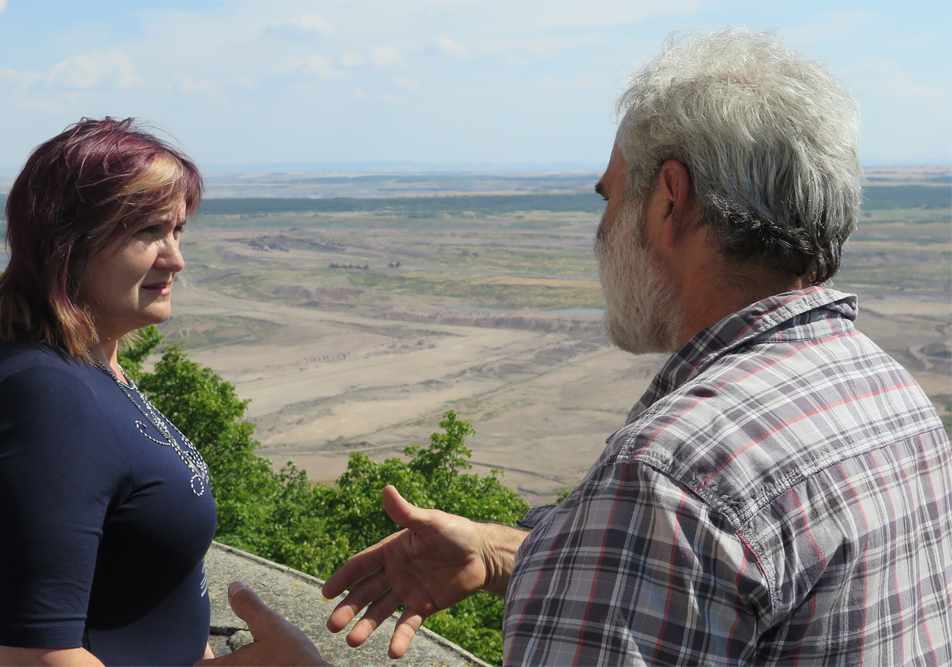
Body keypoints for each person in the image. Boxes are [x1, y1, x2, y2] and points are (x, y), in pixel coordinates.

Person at [199, 28, 952, 667]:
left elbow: (698, 539)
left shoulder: (674, 475)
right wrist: (500, 552)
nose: (599, 230)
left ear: (669, 200)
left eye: (608, 196)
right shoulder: (888, 393)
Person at [0, 118, 217, 666]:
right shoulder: (46, 399)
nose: (175, 259)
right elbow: (36, 657)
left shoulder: (82, 370)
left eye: (177, 231)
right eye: (147, 231)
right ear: (67, 242)